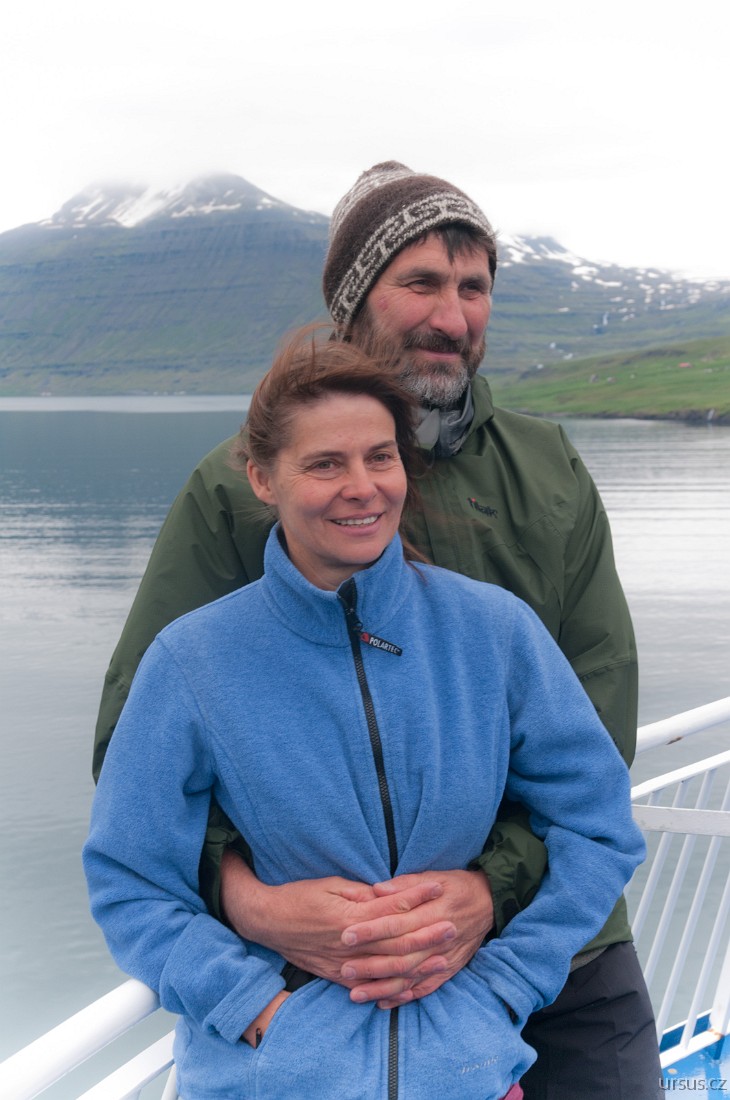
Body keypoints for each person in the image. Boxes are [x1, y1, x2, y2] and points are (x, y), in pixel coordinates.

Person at [93, 162, 662, 1098]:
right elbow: (142, 750)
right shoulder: (233, 488)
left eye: (473, 286)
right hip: (331, 973)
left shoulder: (548, 469)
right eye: (421, 283)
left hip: (555, 943)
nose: (452, 315)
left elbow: (595, 728)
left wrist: (491, 889)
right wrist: (248, 902)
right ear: (355, 300)